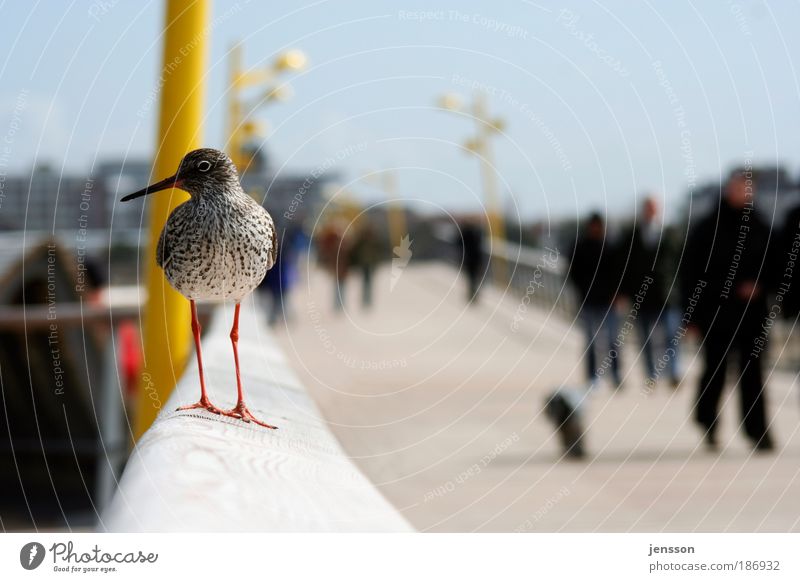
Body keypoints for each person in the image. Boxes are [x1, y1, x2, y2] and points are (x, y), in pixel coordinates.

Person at [682, 170, 776, 451]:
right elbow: (690, 274)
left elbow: (777, 266)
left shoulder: (761, 226)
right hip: (716, 315)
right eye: (739, 187)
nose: (744, 193)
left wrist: (761, 285)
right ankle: (708, 422)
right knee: (714, 371)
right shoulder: (707, 228)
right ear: (728, 189)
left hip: (752, 316)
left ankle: (758, 432)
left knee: (753, 374)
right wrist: (691, 316)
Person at [619, 197, 681, 388]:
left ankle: (673, 372)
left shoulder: (670, 234)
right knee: (645, 338)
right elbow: (625, 266)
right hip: (641, 296)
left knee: (671, 335)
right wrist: (623, 293)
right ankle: (651, 374)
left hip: (666, 296)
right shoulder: (632, 236)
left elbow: (679, 263)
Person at [569, 212, 623, 389]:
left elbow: (618, 272)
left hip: (609, 301)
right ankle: (593, 376)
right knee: (591, 340)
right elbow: (573, 273)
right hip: (588, 300)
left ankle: (616, 374)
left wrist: (617, 293)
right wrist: (582, 291)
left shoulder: (610, 247)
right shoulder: (580, 247)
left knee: (612, 339)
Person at [317, 219, 350, 312]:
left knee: (340, 287)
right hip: (338, 269)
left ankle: (339, 305)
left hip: (341, 269)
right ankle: (337, 305)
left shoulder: (341, 244)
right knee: (338, 287)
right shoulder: (335, 243)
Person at [349, 223, 381, 309]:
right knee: (365, 283)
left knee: (368, 283)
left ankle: (368, 301)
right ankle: (365, 301)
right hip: (364, 264)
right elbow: (357, 253)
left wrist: (376, 263)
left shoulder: (373, 241)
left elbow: (376, 254)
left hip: (370, 264)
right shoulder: (362, 241)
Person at [459, 218, 485, 304]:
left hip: (468, 258)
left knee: (470, 278)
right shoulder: (476, 233)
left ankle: (472, 294)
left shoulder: (465, 233)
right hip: (475, 258)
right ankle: (473, 294)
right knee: (474, 277)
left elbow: (459, 244)